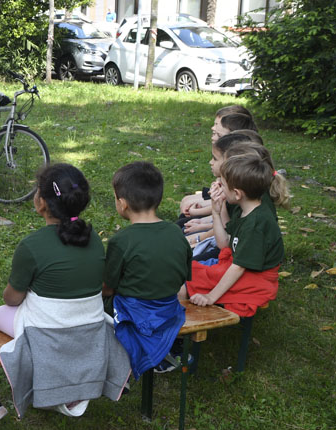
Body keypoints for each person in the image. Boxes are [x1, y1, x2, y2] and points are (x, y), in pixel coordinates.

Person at [0, 164, 130, 423]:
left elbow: (12, 299)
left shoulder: (32, 246)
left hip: (45, 331)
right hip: (90, 330)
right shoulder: (93, 241)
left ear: (41, 202)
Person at [104, 161, 193, 376]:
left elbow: (108, 287)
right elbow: (184, 275)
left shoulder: (122, 241)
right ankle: (167, 350)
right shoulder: (176, 233)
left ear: (122, 203)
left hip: (134, 312)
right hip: (170, 309)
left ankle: (111, 363)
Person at [180, 152, 285, 317]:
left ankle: (177, 332)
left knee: (184, 281)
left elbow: (238, 267)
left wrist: (211, 296)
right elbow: (225, 244)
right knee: (183, 272)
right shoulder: (246, 209)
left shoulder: (256, 224)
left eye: (222, 184)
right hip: (237, 267)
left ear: (237, 194)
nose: (218, 186)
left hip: (254, 280)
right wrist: (216, 211)